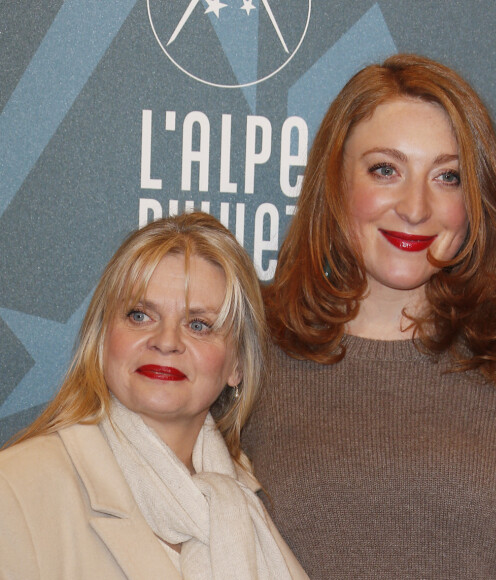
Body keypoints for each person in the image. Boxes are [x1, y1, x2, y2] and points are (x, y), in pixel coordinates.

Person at [242, 54, 496, 579]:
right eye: (385, 170)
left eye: (447, 177)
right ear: (334, 181)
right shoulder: (246, 357)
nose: (416, 207)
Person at [0, 212, 307, 580]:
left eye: (198, 325)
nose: (166, 341)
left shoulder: (246, 499)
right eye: (140, 315)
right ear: (102, 339)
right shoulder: (15, 489)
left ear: (236, 366)